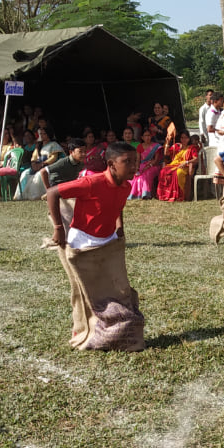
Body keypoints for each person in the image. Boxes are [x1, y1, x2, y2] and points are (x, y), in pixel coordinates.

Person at [47, 141, 144, 352]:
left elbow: (117, 206)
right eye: (127, 162)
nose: (133, 166)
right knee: (82, 290)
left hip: (107, 242)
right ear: (111, 164)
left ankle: (113, 333)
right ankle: (82, 330)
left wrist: (120, 228)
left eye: (135, 161)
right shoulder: (92, 183)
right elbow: (53, 193)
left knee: (116, 290)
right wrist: (58, 228)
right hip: (82, 243)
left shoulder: (126, 186)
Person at [156, 134, 201, 202]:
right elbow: (166, 153)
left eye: (186, 138)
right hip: (174, 165)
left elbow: (196, 159)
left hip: (186, 166)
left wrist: (186, 162)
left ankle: (179, 195)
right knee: (163, 171)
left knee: (178, 173)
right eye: (182, 138)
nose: (184, 140)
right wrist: (167, 142)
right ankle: (164, 194)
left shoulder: (191, 148)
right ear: (180, 139)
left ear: (189, 139)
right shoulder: (176, 146)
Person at [127, 130, 163, 200]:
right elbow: (138, 160)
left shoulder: (156, 146)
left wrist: (149, 166)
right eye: (145, 136)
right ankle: (133, 194)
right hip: (142, 165)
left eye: (149, 135)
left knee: (146, 174)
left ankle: (146, 194)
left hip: (153, 166)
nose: (147, 137)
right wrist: (137, 169)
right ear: (142, 137)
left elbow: (156, 160)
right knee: (135, 176)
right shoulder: (140, 146)